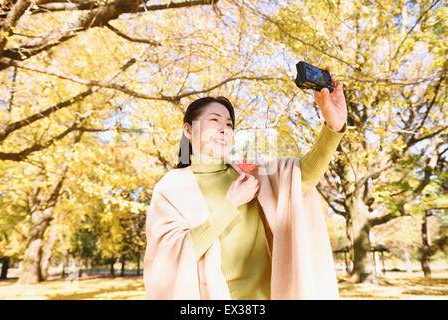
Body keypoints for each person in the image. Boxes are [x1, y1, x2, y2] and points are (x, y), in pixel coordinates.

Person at [144, 66, 348, 300]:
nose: (224, 129)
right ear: (188, 130)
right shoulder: (171, 187)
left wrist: (334, 125)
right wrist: (230, 205)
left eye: (229, 124)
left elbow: (302, 177)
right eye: (214, 120)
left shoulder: (250, 173)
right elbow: (169, 260)